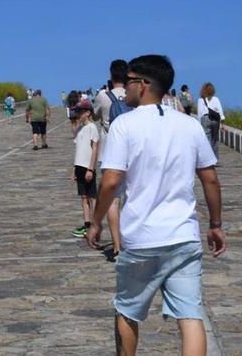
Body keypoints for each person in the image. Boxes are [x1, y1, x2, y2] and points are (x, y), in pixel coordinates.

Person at [86, 55, 226, 356]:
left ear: (145, 85)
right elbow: (210, 180)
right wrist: (215, 225)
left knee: (127, 311)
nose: (123, 89)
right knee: (190, 316)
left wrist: (96, 222)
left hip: (141, 238)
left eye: (130, 81)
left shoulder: (125, 125)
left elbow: (110, 181)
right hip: (183, 237)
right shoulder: (189, 126)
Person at [92, 59, 129, 261]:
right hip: (132, 154)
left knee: (113, 201)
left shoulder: (103, 96)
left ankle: (116, 246)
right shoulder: (134, 96)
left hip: (109, 154)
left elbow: (96, 117)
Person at [70, 101, 100, 238]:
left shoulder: (92, 127)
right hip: (79, 166)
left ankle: (96, 224)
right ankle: (87, 224)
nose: (78, 115)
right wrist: (74, 170)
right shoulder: (80, 129)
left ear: (88, 112)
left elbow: (94, 148)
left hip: (88, 167)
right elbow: (78, 149)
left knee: (92, 197)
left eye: (80, 112)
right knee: (83, 197)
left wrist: (91, 168)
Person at [196, 82, 224, 153]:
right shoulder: (216, 99)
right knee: (214, 140)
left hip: (205, 119)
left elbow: (200, 114)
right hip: (215, 120)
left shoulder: (201, 100)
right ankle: (215, 159)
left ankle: (209, 159)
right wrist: (222, 125)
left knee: (207, 140)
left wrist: (199, 125)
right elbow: (220, 112)